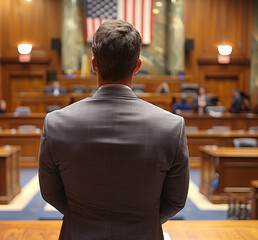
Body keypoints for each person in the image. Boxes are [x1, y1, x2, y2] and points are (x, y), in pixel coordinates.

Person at [39, 20, 189, 240]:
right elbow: (175, 200)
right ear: (137, 66)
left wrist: (83, 218)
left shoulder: (56, 123)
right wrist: (142, 221)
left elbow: (50, 192)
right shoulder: (171, 126)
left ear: (94, 64)